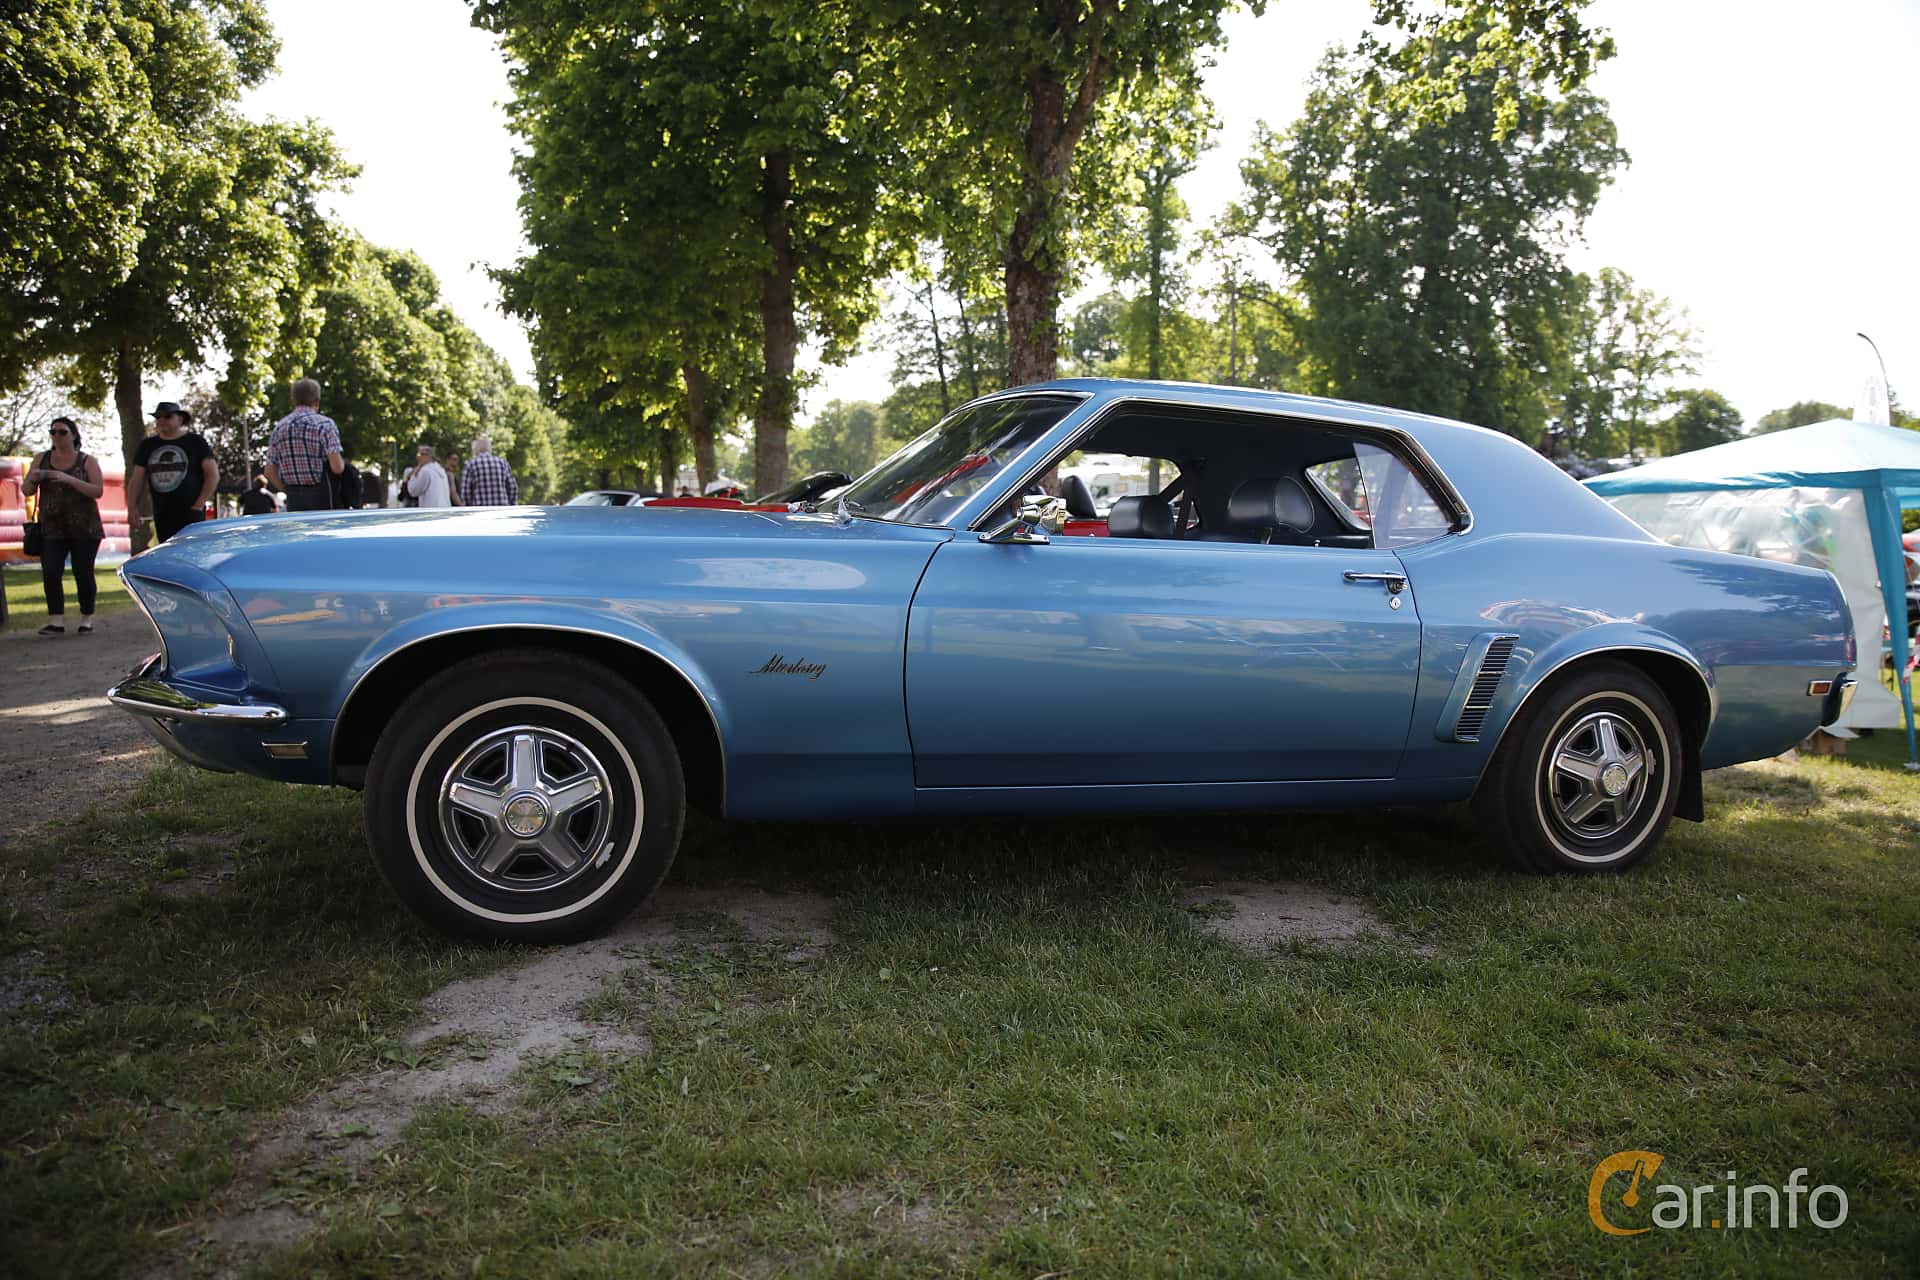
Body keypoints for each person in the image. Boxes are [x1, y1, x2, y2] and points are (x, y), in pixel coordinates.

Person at [22, 418, 106, 635]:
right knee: (50, 570)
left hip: (85, 526)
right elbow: (26, 490)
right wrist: (33, 478)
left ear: (74, 435)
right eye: (53, 432)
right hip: (51, 526)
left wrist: (67, 479)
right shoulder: (41, 459)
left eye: (62, 432)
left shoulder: (87, 461)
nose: (57, 436)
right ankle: (56, 620)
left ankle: (86, 617)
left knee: (82, 571)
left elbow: (97, 490)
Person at [127, 401, 217, 544]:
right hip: (161, 513)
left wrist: (199, 504)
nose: (162, 420)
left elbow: (212, 475)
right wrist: (132, 508)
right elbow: (137, 479)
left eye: (167, 416)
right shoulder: (148, 445)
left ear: (180, 419)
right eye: (158, 417)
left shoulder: (196, 442)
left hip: (191, 512)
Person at [264, 378, 344, 512]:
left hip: (294, 498)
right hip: (321, 497)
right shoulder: (324, 425)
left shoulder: (279, 428)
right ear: (317, 401)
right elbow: (337, 467)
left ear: (293, 401)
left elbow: (269, 471)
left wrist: (286, 489)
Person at [459, 436, 520, 505]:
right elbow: (513, 487)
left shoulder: (470, 464)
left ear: (475, 449)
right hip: (502, 509)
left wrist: (469, 506)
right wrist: (511, 503)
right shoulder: (502, 463)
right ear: (489, 448)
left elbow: (465, 491)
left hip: (478, 510)